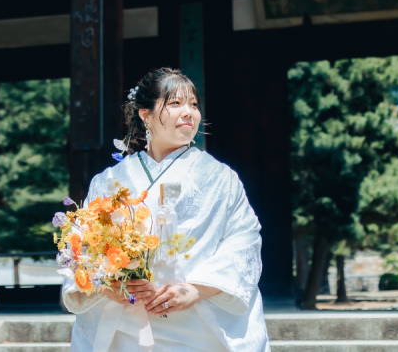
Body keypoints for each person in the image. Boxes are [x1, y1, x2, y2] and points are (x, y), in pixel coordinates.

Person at [62, 68, 270, 351]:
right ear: (145, 114)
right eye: (175, 104)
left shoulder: (220, 177)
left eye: (194, 105)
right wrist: (109, 284)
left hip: (198, 324)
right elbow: (82, 245)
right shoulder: (111, 180)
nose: (189, 113)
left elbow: (244, 239)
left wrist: (196, 289)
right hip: (125, 326)